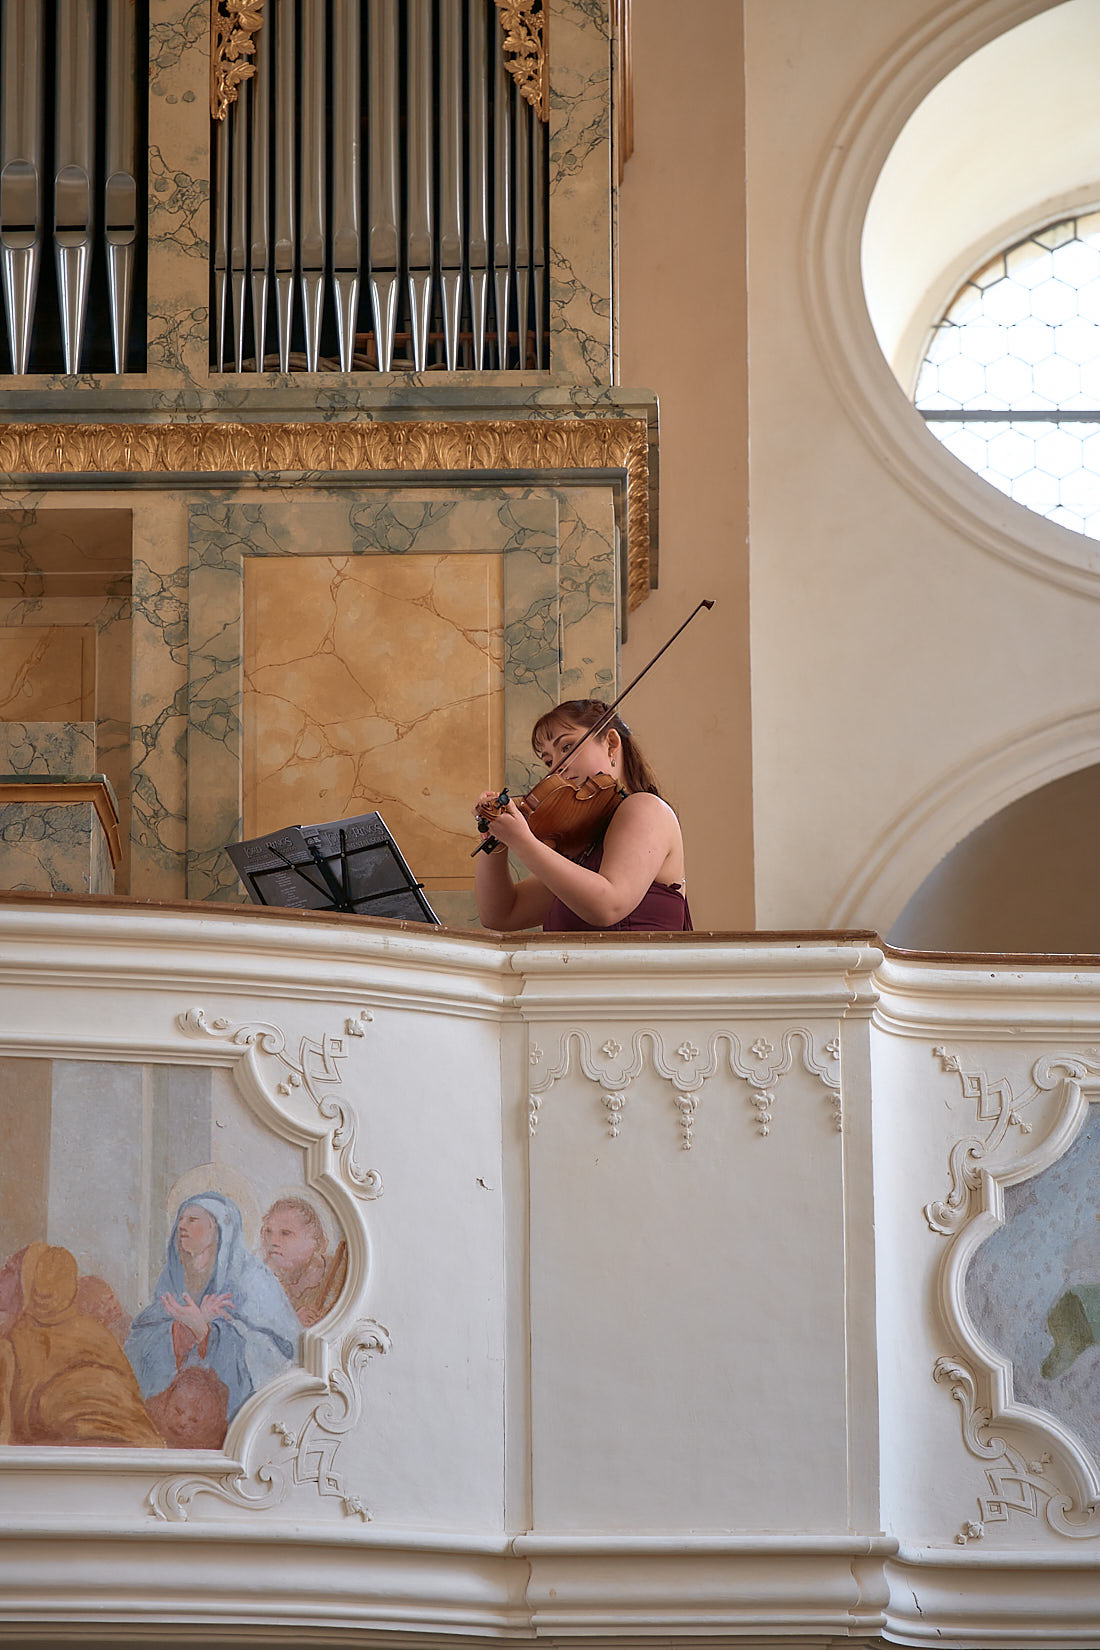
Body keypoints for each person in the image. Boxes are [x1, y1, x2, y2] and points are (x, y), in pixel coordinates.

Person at [473, 699, 691, 932]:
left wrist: (522, 841)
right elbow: (502, 915)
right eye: (549, 761)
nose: (556, 767)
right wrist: (495, 837)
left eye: (567, 747)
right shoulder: (583, 843)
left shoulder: (646, 808)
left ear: (611, 743)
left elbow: (609, 906)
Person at [125, 1192, 301, 1423]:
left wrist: (205, 1332)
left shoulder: (252, 1279)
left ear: (217, 1227)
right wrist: (183, 1331)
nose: (182, 1226)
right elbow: (138, 1344)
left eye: (192, 1220)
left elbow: (278, 1355)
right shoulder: (172, 1279)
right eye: (180, 1219)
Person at [0, 1243, 162, 1447]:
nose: (0, 1276)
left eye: (9, 1270)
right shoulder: (16, 1339)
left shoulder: (89, 1340)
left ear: (29, 1284)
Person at [260, 1196, 348, 1327]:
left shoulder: (337, 1274)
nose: (273, 1241)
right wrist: (292, 1322)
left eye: (285, 1233)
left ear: (314, 1240)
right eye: (269, 1232)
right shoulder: (262, 1276)